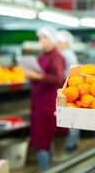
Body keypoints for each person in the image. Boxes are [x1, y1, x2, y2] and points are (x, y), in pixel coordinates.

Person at [25, 26, 66, 171]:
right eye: (41, 37)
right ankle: (48, 168)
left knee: (41, 138)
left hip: (48, 103)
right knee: (44, 137)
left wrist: (36, 76)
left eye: (45, 37)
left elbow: (58, 78)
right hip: (39, 100)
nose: (42, 41)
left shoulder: (56, 57)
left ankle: (46, 169)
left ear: (53, 39)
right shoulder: (42, 56)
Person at [56, 30, 80, 154]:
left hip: (69, 89)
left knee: (71, 118)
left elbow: (63, 75)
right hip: (72, 88)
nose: (58, 44)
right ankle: (72, 145)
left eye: (60, 42)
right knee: (73, 118)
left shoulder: (65, 55)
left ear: (65, 43)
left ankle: (70, 147)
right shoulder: (68, 53)